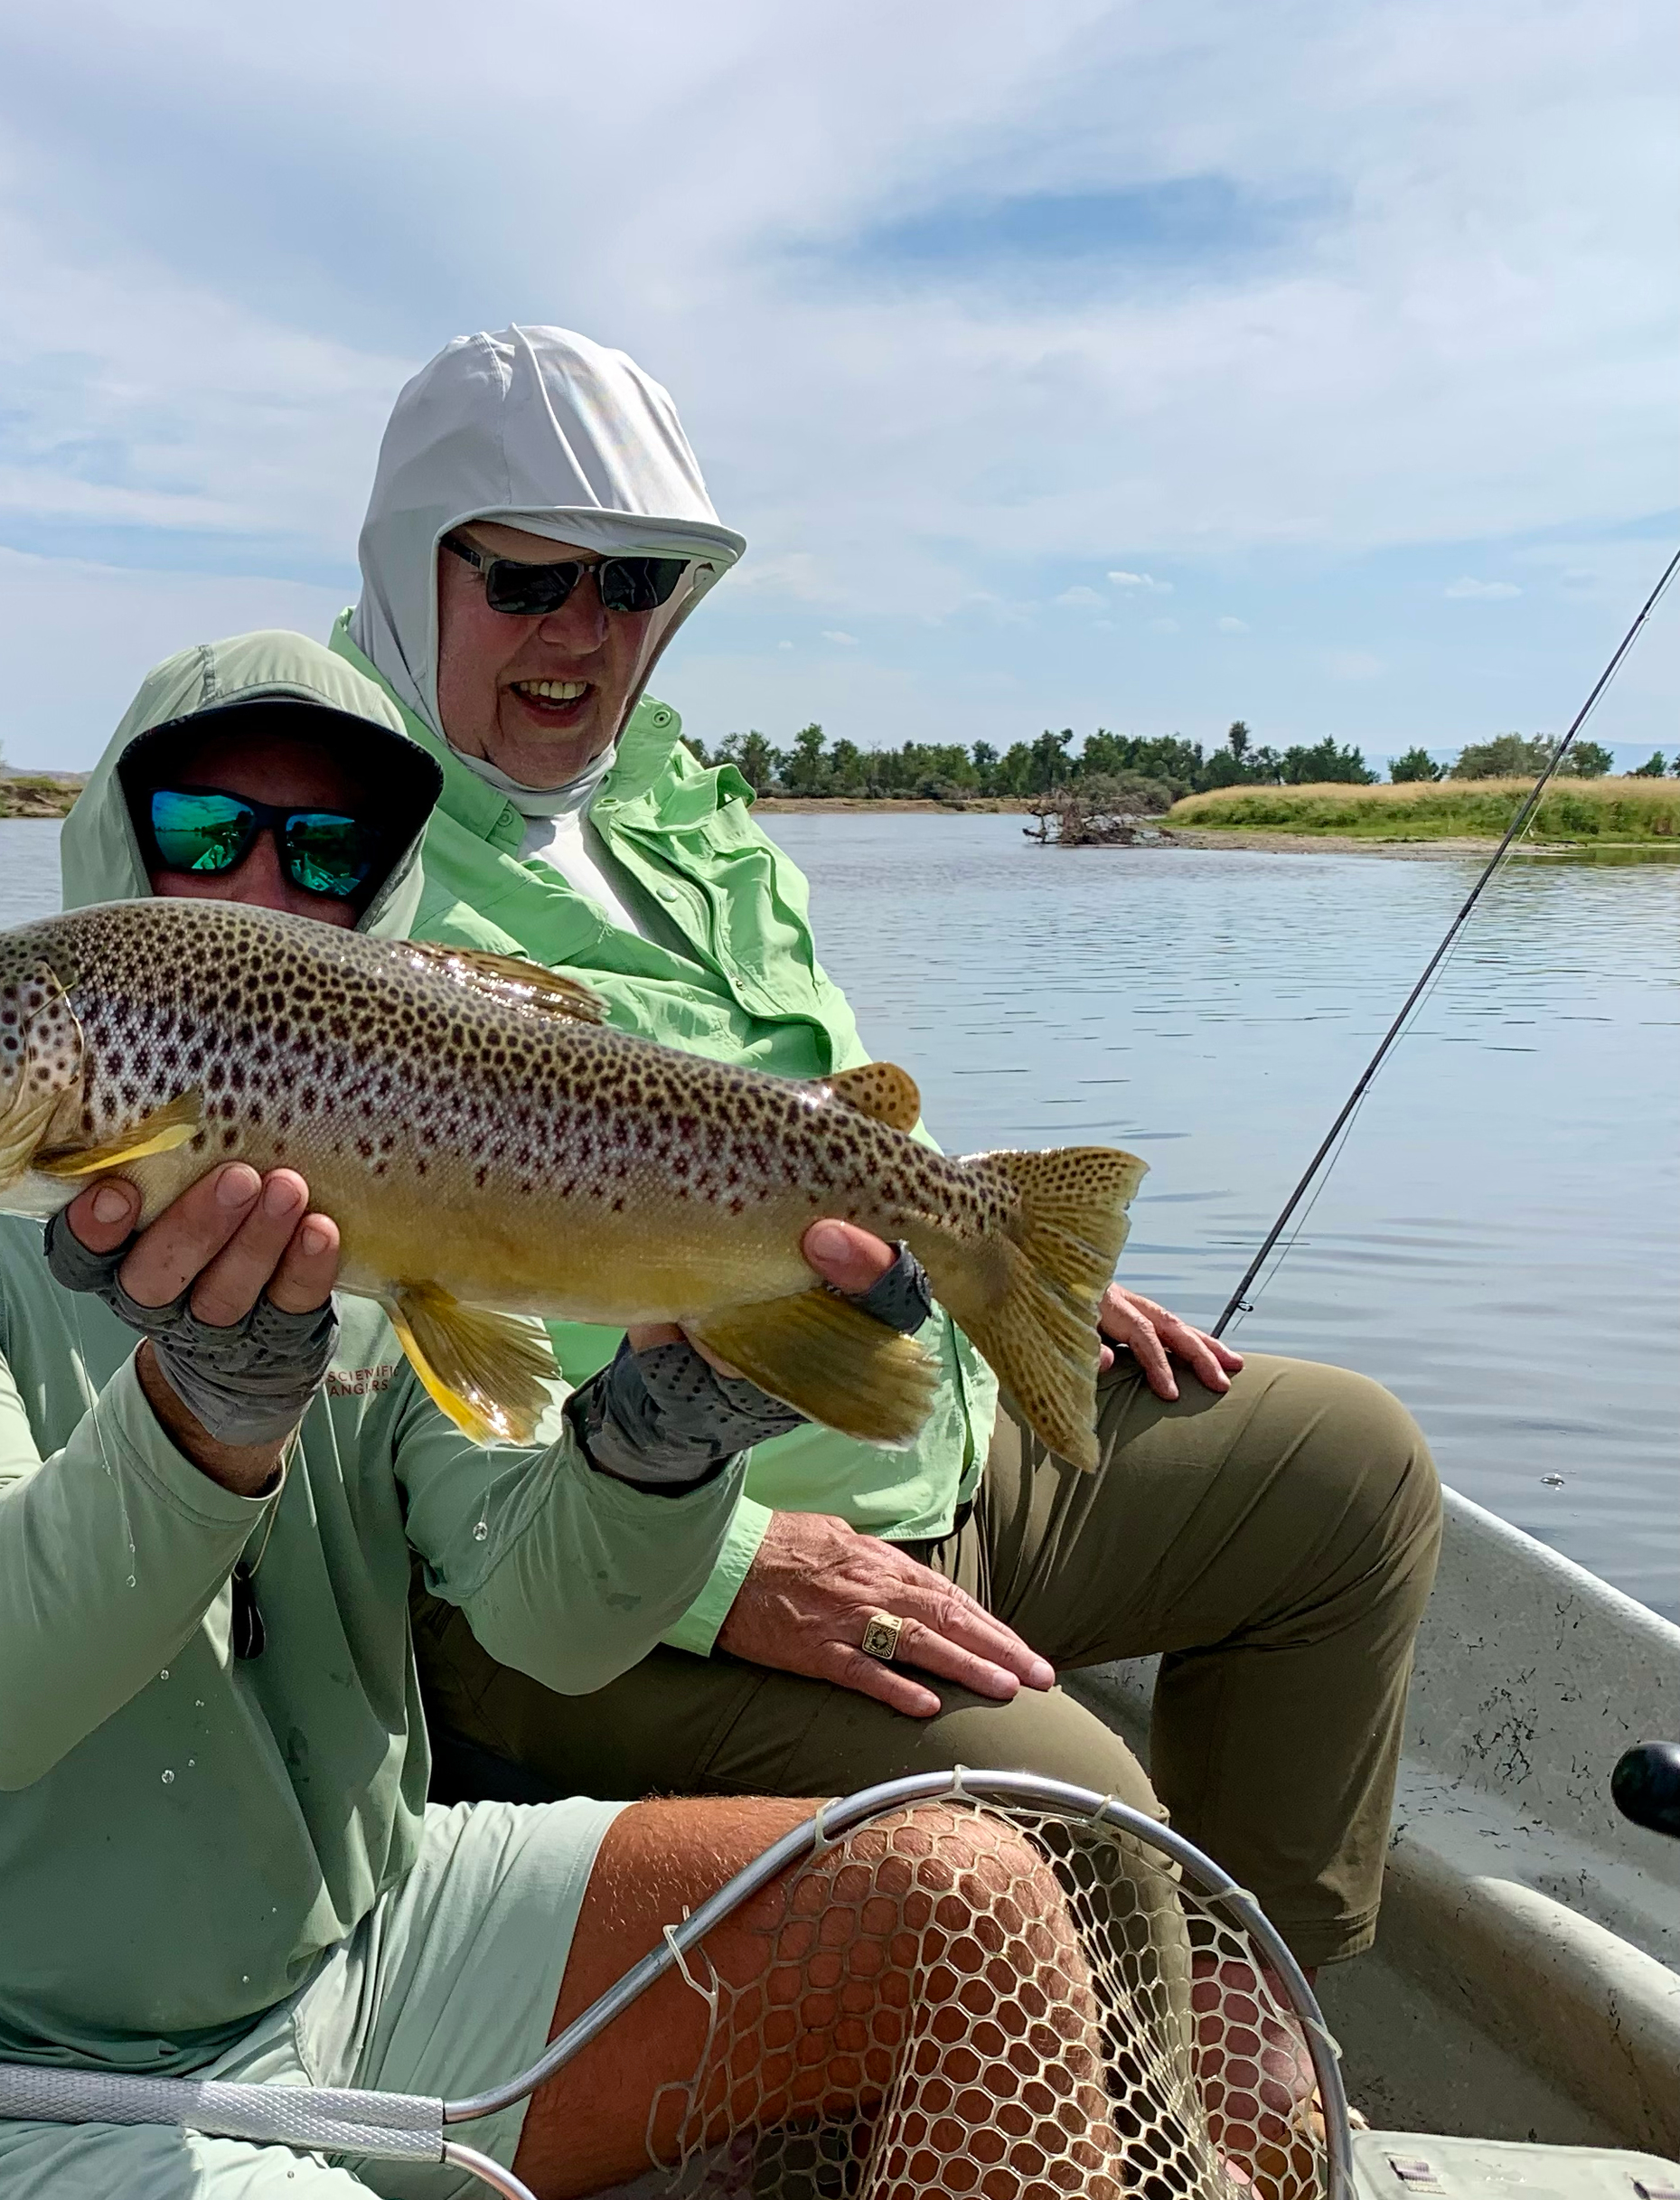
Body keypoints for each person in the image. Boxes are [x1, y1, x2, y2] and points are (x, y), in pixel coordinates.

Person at [0, 628, 1124, 2200]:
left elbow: (552, 1616)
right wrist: (209, 1412)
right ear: (107, 858)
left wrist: (670, 1419)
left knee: (970, 1897)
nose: (261, 880)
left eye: (328, 842)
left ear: (385, 891)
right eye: (207, 823)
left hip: (342, 1958)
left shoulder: (390, 1211)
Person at [333, 327, 1444, 1977]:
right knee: (1077, 1805)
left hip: (921, 1436)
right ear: (415, 564)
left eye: (637, 585)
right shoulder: (324, 853)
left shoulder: (682, 818)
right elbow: (363, 1349)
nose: (588, 630)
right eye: (530, 580)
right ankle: (1139, 2183)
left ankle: (1251, 2030)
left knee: (1349, 1475)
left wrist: (1012, 1273)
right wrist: (722, 1565)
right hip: (608, 1578)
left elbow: (820, 1142)